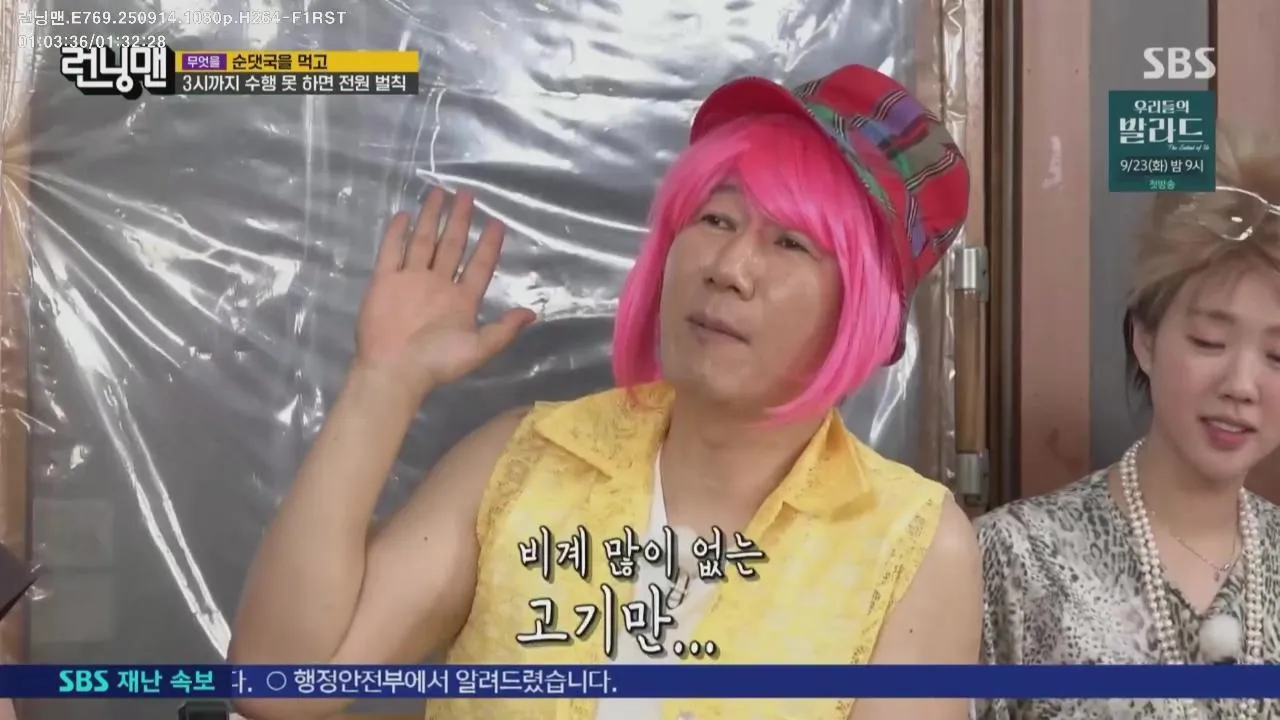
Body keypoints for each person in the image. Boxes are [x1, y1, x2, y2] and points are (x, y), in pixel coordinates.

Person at [229, 64, 981, 720]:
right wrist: (383, 381)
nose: (728, 267)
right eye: (716, 218)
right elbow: (278, 684)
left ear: (863, 310)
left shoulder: (910, 545)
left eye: (791, 242)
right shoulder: (522, 464)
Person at [976, 131, 1280, 720]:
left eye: (1278, 356)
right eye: (1209, 341)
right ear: (1145, 339)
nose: (1241, 385)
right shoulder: (1018, 559)